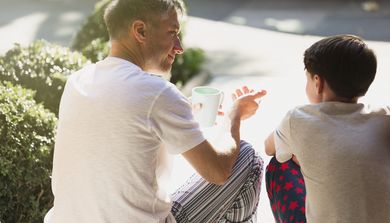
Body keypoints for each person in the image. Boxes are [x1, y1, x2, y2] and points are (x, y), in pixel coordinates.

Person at [44, 0, 266, 222]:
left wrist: (182, 110)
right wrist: (234, 114)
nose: (179, 47)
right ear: (140, 30)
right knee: (247, 157)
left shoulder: (78, 81)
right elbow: (218, 171)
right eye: (172, 33)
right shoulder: (157, 93)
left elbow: (120, 124)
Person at [264, 34, 390, 223]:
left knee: (280, 163)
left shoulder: (299, 119)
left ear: (318, 83)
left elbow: (269, 147)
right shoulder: (389, 117)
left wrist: (303, 151)